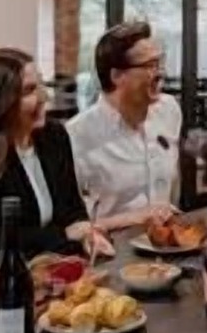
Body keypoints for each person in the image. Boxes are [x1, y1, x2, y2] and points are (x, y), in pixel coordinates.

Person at [0, 47, 112, 278]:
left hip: (39, 272)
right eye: (29, 91)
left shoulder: (53, 137)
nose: (45, 96)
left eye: (42, 85)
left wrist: (85, 234)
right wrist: (63, 235)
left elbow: (72, 209)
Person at [67, 21, 182, 231]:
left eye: (160, 63)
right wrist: (134, 218)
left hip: (166, 248)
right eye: (149, 66)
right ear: (117, 76)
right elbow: (72, 227)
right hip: (111, 254)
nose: (160, 73)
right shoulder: (76, 135)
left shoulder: (169, 110)